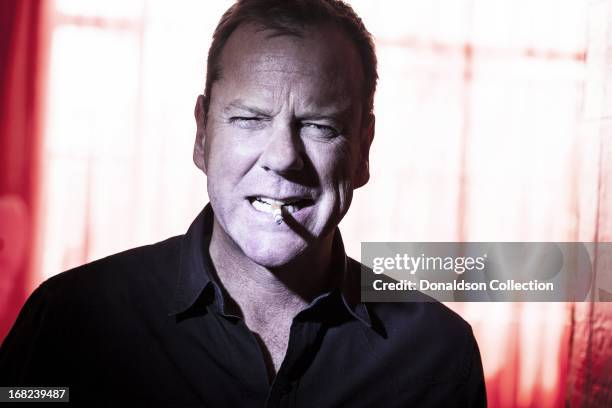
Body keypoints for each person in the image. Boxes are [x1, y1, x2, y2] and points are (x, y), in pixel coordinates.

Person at [0, 0, 486, 406]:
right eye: (250, 119)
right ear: (201, 134)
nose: (283, 158)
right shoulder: (68, 321)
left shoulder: (438, 357)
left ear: (363, 150)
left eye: (320, 125)